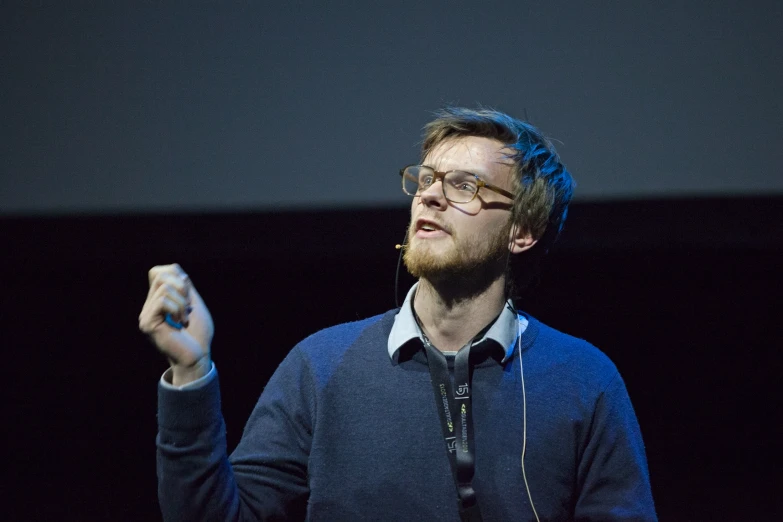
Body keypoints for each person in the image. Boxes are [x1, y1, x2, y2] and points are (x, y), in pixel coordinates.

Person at [140, 107, 657, 521]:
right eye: (426, 179)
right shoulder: (320, 366)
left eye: (464, 186)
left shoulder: (582, 377)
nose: (430, 196)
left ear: (522, 231)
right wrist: (190, 372)